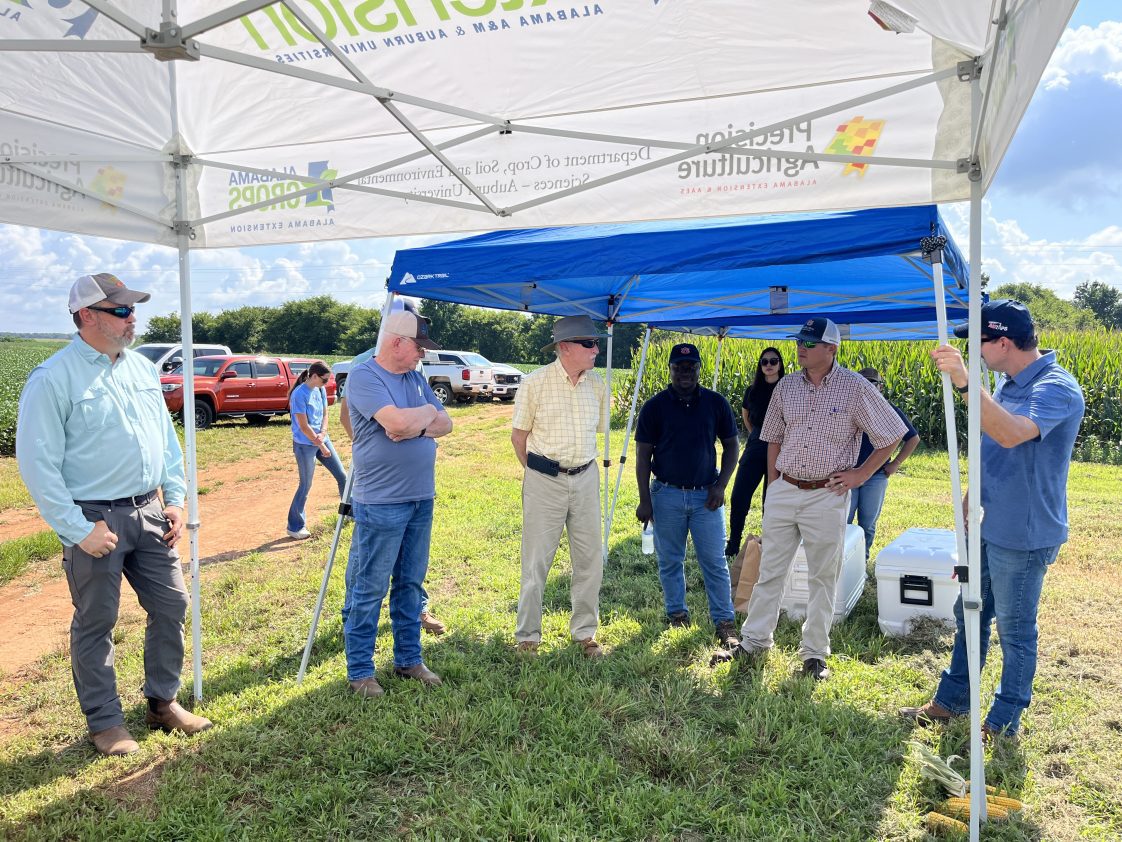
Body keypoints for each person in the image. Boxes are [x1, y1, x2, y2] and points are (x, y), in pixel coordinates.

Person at [16, 273, 212, 756]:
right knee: (97, 622)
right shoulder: (53, 378)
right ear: (86, 316)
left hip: (150, 512)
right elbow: (37, 465)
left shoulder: (142, 370)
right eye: (120, 311)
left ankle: (162, 703)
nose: (132, 319)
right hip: (94, 520)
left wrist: (175, 497)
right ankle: (106, 724)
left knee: (172, 606)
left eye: (131, 310)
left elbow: (165, 443)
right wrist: (78, 530)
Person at [901, 299, 1084, 737]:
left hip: (1023, 533)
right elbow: (992, 445)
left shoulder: (1056, 387)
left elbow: (1010, 431)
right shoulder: (1008, 382)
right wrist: (970, 497)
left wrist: (966, 384)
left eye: (980, 344)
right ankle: (953, 700)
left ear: (1003, 342)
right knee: (969, 611)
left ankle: (1004, 721)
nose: (976, 353)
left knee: (1016, 630)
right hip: (987, 523)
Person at [733, 318, 906, 681]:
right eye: (800, 342)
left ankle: (814, 654)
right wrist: (775, 482)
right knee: (770, 569)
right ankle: (754, 640)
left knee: (823, 576)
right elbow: (774, 437)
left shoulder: (855, 388)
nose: (801, 348)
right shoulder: (786, 387)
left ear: (832, 348)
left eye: (810, 344)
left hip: (826, 494)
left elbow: (892, 434)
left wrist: (861, 475)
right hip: (785, 488)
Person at [341, 309, 453, 697]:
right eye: (419, 347)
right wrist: (423, 418)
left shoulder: (415, 378)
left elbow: (446, 423)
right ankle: (360, 672)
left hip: (421, 497)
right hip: (382, 501)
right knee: (368, 587)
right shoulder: (364, 376)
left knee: (410, 583)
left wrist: (416, 419)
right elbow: (397, 425)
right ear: (396, 343)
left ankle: (408, 659)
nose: (422, 354)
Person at [511, 315, 609, 658]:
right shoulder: (534, 383)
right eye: (589, 343)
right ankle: (528, 636)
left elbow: (596, 432)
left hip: (586, 477)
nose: (596, 349)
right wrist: (540, 474)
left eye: (596, 343)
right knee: (536, 560)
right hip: (544, 480)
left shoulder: (598, 385)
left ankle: (585, 634)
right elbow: (518, 437)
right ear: (564, 348)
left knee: (590, 559)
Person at [634, 343, 741, 654]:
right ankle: (677, 614)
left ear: (698, 369)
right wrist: (645, 500)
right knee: (670, 561)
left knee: (715, 562)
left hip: (706, 496)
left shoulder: (715, 403)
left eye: (691, 367)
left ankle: (724, 623)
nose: (685, 372)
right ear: (670, 369)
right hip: (665, 493)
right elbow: (643, 458)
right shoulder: (654, 407)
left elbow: (732, 446)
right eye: (679, 367)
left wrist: (721, 485)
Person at [846, 367, 920, 561]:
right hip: (848, 474)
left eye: (873, 383)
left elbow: (913, 439)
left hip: (876, 476)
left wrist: (895, 463)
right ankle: (843, 563)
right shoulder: (846, 408)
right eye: (864, 383)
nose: (869, 387)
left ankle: (862, 561)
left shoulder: (889, 410)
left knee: (867, 523)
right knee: (843, 523)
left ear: (880, 388)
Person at [725, 347, 785, 558]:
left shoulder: (787, 388)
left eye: (773, 361)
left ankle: (769, 544)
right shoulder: (752, 390)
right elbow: (746, 415)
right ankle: (733, 543)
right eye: (764, 362)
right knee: (739, 495)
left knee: (771, 500)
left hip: (781, 448)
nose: (768, 365)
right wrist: (757, 435)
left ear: (780, 364)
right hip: (755, 444)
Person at [286, 361, 347, 540]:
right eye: (324, 380)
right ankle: (295, 526)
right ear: (313, 376)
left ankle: (349, 513)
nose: (326, 384)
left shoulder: (319, 390)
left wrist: (323, 434)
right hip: (305, 445)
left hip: (321, 439)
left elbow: (325, 414)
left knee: (342, 476)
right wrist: (320, 444)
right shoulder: (299, 394)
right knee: (305, 485)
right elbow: (303, 426)